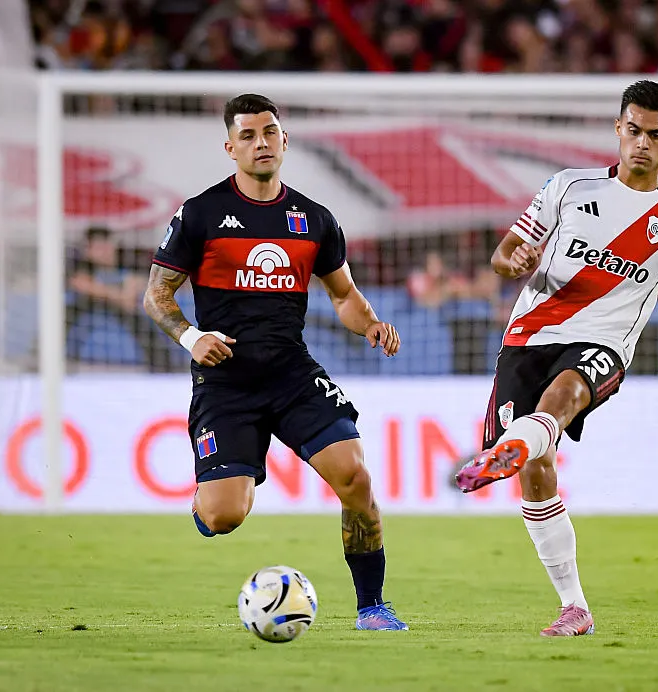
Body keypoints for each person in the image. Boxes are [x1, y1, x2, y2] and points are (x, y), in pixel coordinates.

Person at [455, 81, 658, 637]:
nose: (641, 143)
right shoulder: (566, 186)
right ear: (617, 130)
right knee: (535, 471)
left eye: (655, 134)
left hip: (604, 345)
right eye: (633, 131)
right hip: (526, 339)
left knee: (563, 397)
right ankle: (574, 606)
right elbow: (504, 257)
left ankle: (526, 437)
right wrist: (517, 260)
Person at [143, 94, 408, 632]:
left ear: (284, 140)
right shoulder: (200, 214)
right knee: (224, 515)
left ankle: (372, 606)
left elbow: (343, 295)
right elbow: (157, 295)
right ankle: (207, 503)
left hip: (291, 372)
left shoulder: (312, 219)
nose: (260, 142)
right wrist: (192, 337)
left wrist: (371, 323)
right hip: (226, 382)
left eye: (269, 132)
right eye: (247, 135)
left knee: (354, 476)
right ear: (230, 147)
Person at [68, 226, 172, 372]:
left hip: (123, 307)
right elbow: (82, 285)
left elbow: (139, 283)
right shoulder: (81, 264)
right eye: (98, 247)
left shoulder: (127, 258)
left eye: (107, 245)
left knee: (143, 321)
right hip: (90, 304)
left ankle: (163, 365)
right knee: (66, 314)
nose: (104, 251)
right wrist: (117, 295)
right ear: (88, 249)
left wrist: (123, 294)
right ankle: (49, 358)